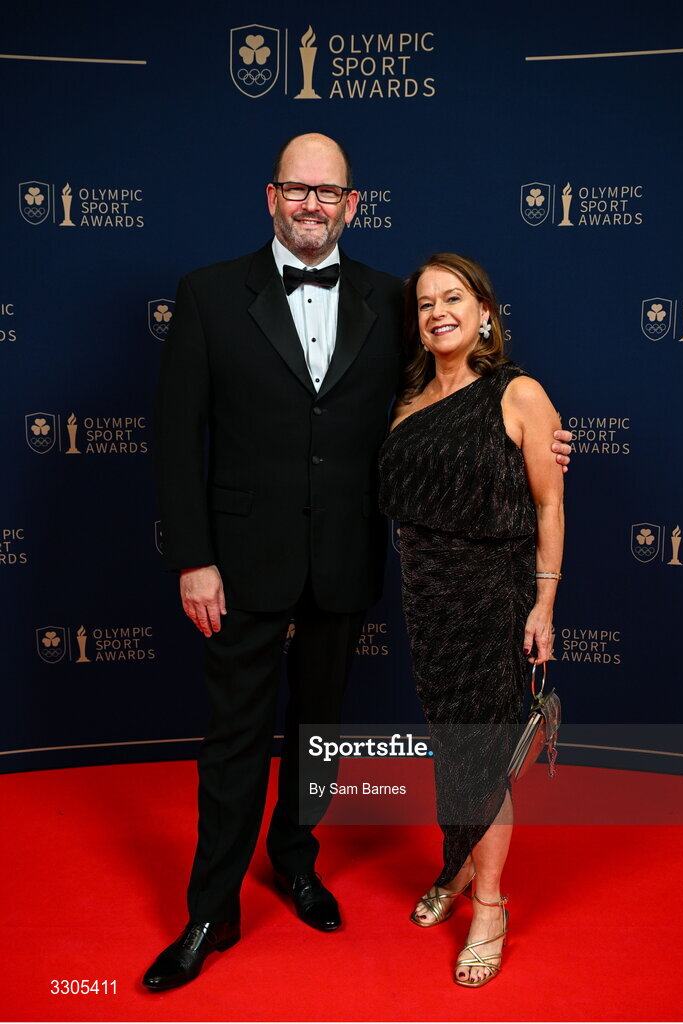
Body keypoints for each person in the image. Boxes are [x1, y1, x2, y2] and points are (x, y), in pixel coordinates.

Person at [145, 136, 572, 991]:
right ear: (272, 196)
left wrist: (540, 437)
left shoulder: (391, 298)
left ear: (351, 203)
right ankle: (210, 910)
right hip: (240, 562)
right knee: (234, 737)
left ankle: (296, 864)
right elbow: (171, 439)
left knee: (318, 732)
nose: (311, 205)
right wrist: (194, 558)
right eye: (296, 190)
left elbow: (456, 388)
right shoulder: (206, 295)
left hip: (345, 559)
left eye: (327, 193)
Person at [379, 253, 564, 987]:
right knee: (451, 747)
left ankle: (488, 904)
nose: (437, 312)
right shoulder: (406, 404)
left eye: (451, 297)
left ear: (483, 310)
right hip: (427, 599)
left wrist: (544, 601)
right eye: (424, 304)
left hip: (495, 593)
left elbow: (549, 503)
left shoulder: (518, 393)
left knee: (479, 754)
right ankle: (456, 868)